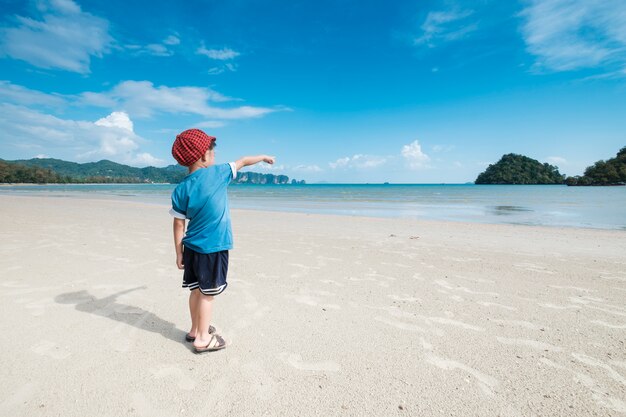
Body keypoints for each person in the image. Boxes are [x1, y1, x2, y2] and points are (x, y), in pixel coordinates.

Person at [169, 128, 274, 353]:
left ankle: (195, 329)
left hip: (191, 249)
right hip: (213, 248)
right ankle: (203, 339)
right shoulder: (218, 173)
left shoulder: (180, 189)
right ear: (202, 156)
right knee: (208, 295)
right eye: (211, 150)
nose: (214, 154)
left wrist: (178, 253)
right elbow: (244, 161)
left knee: (196, 290)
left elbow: (179, 224)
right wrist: (264, 157)